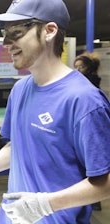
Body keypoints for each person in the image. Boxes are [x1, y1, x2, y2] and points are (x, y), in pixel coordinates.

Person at [0, 0, 110, 223]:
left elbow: (105, 182)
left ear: (49, 31)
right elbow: (19, 145)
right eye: (4, 33)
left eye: (16, 32)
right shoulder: (20, 89)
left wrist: (46, 204)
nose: (5, 43)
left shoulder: (84, 101)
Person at [74, 53, 103, 211]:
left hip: (90, 130)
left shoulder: (89, 88)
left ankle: (93, 200)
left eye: (81, 67)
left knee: (91, 166)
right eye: (76, 67)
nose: (78, 70)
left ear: (89, 69)